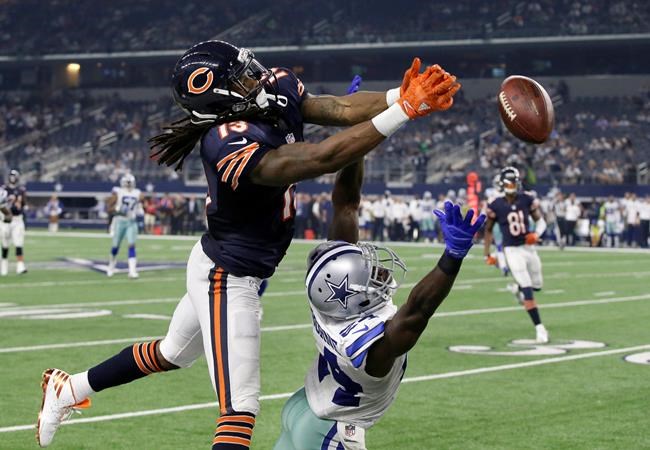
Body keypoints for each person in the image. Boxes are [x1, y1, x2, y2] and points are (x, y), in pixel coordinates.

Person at [36, 40, 461, 449]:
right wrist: (403, 110)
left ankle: (69, 387)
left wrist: (396, 95)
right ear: (220, 102)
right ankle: (68, 389)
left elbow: (338, 108)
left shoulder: (267, 91)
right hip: (227, 276)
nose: (255, 79)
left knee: (172, 353)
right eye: (240, 80)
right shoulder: (224, 143)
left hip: (229, 264)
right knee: (239, 409)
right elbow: (320, 159)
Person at [274, 160, 484, 449]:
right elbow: (417, 312)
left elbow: (346, 204)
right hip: (332, 430)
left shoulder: (327, 301)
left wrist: (359, 143)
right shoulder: (364, 341)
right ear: (355, 295)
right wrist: (453, 255)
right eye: (369, 272)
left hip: (303, 405)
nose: (379, 271)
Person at [483, 167, 549, 343]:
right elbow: (488, 230)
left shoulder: (526, 199)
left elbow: (541, 221)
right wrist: (486, 254)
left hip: (528, 248)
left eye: (514, 182)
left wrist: (536, 235)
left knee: (537, 286)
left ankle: (518, 290)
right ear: (502, 184)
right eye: (509, 182)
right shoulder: (495, 204)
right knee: (528, 289)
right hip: (512, 250)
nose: (512, 186)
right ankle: (540, 328)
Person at [105, 173, 144, 278]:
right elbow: (108, 207)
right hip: (120, 221)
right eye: (127, 183)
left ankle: (132, 271)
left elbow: (141, 204)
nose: (128, 185)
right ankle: (111, 266)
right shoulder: (119, 192)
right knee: (115, 246)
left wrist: (140, 209)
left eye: (129, 182)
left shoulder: (137, 193)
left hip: (131, 221)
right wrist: (117, 209)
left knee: (132, 245)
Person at [1, 169, 27, 275]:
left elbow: (23, 205)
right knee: (5, 244)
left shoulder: (21, 190)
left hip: (17, 219)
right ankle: (3, 265)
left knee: (18, 243)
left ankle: (20, 266)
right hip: (5, 220)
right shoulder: (3, 189)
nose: (12, 178)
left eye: (14, 176)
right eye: (11, 175)